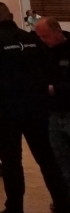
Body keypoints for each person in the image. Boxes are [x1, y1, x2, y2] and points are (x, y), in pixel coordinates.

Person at [0, 2, 70, 213]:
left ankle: (15, 211)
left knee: (11, 160)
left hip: (4, 110)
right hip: (36, 108)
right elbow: (47, 67)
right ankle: (65, 209)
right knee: (47, 159)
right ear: (10, 15)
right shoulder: (33, 39)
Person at [34, 18, 70, 193]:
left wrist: (54, 88)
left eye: (46, 36)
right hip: (53, 113)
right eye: (40, 37)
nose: (43, 40)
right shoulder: (43, 52)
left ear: (58, 30)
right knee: (60, 159)